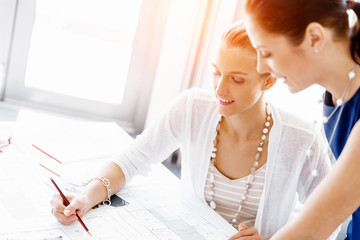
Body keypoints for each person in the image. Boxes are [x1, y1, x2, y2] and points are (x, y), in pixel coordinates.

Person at [50, 21, 333, 240]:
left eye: (236, 79)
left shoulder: (301, 137)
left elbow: (332, 218)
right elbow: (135, 158)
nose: (220, 89)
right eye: (216, 72)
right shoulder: (193, 107)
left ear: (269, 82)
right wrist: (86, 197)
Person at [243, 0, 360, 239]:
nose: (260, 67)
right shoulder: (336, 95)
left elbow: (317, 225)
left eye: (266, 53)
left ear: (315, 38)